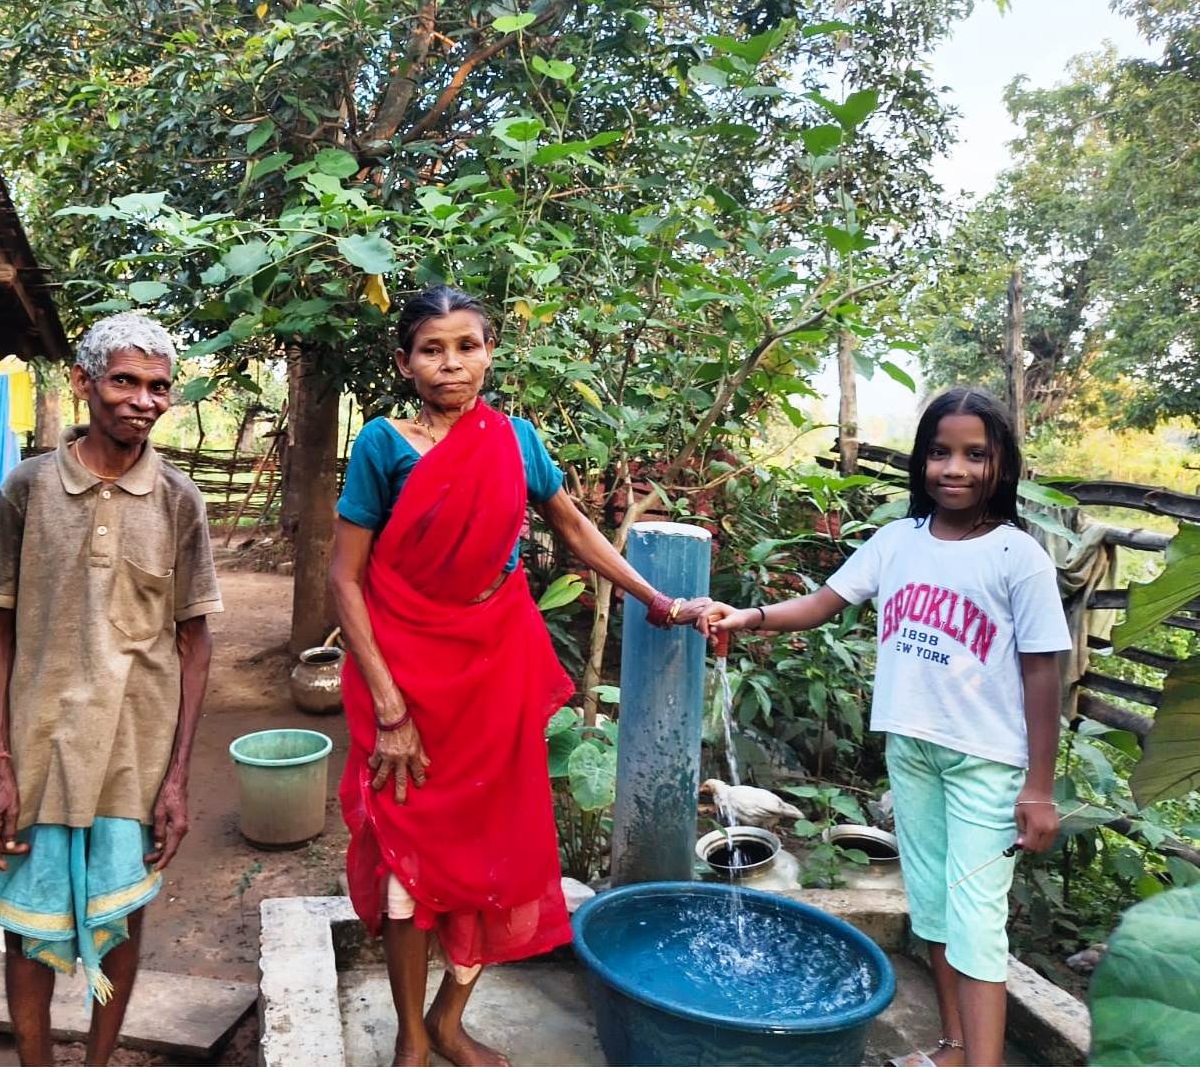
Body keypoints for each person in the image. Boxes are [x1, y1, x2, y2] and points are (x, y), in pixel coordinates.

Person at [329, 285, 710, 1067]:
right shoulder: (381, 445)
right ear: (404, 363)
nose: (451, 364)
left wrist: (658, 601)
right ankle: (410, 1038)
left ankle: (448, 1020)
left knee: (496, 851)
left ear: (490, 353)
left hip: (492, 675)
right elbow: (345, 577)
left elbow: (574, 526)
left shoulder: (515, 440)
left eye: (467, 347)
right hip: (404, 675)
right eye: (432, 350)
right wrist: (392, 710)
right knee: (408, 858)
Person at [701, 387, 1070, 1067]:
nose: (954, 469)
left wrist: (1039, 789)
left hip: (986, 761)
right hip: (913, 751)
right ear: (921, 460)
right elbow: (823, 602)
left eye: (975, 455)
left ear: (1002, 465)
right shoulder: (898, 542)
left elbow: (1043, 671)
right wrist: (749, 617)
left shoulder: (1018, 556)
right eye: (940, 453)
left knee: (976, 923)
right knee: (932, 909)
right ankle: (953, 1047)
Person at [0, 314, 222, 1067]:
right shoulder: (30, 488)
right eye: (124, 381)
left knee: (122, 920)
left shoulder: (178, 500)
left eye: (158, 386)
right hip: (40, 750)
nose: (143, 400)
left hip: (134, 755)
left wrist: (177, 778)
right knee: (27, 930)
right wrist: (0, 766)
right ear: (83, 383)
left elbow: (195, 642)